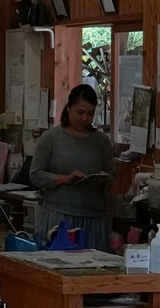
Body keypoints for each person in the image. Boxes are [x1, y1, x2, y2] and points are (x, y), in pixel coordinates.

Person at [28, 83, 125, 249]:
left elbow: (111, 176)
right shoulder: (51, 138)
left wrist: (104, 181)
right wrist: (65, 179)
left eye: (90, 114)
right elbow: (35, 174)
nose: (85, 118)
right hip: (59, 215)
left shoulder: (101, 141)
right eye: (80, 112)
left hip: (94, 216)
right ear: (69, 108)